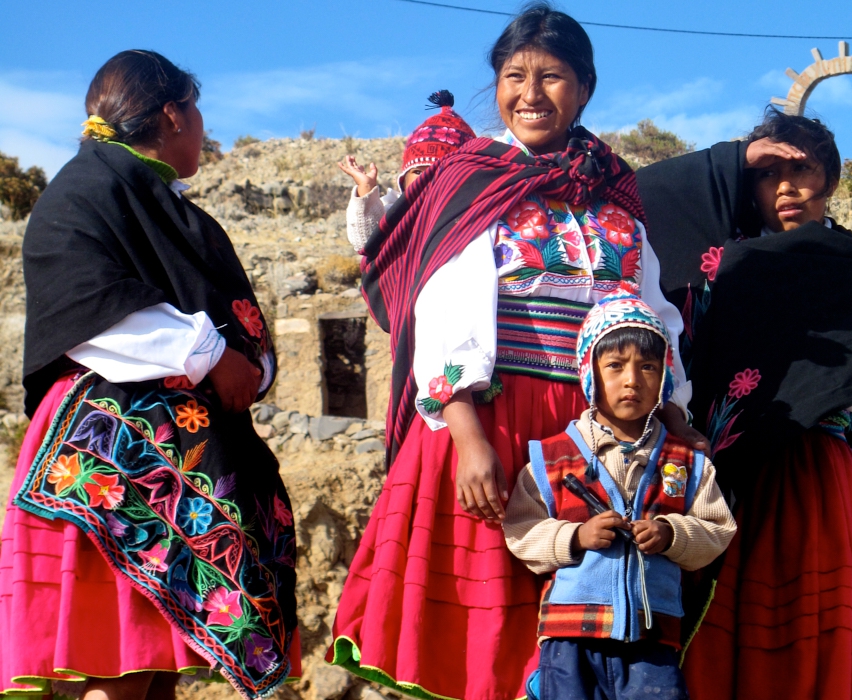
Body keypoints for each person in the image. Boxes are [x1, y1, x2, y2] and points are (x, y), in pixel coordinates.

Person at [326, 5, 702, 699]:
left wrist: (673, 411)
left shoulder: (615, 195)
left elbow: (651, 311)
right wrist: (467, 435)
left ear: (585, 87)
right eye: (513, 76)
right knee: (492, 638)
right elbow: (444, 306)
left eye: (552, 77)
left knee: (587, 636)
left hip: (598, 442)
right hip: (495, 425)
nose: (531, 94)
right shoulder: (474, 180)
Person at [0, 50, 299, 700]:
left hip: (167, 462)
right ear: (173, 113)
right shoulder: (83, 194)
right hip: (112, 461)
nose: (202, 130)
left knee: (152, 672)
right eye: (197, 112)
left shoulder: (151, 202)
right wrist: (212, 355)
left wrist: (242, 359)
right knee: (117, 672)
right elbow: (91, 305)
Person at [636, 107, 852, 699]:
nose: (785, 187)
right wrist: (734, 157)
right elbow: (642, 195)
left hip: (821, 480)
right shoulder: (719, 265)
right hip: (724, 481)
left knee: (811, 648)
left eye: (803, 169)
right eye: (766, 173)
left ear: (830, 181)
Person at [504, 288, 736, 700]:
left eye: (648, 367)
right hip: (570, 638)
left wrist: (671, 534)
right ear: (590, 373)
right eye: (615, 366)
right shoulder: (554, 457)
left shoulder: (685, 461)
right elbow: (522, 530)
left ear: (664, 377)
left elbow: (718, 528)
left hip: (653, 640)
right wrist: (575, 537)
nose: (632, 380)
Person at [338, 90, 477, 253]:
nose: (427, 180)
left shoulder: (473, 214)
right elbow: (365, 241)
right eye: (418, 172)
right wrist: (366, 189)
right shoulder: (396, 212)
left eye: (441, 173)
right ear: (403, 181)